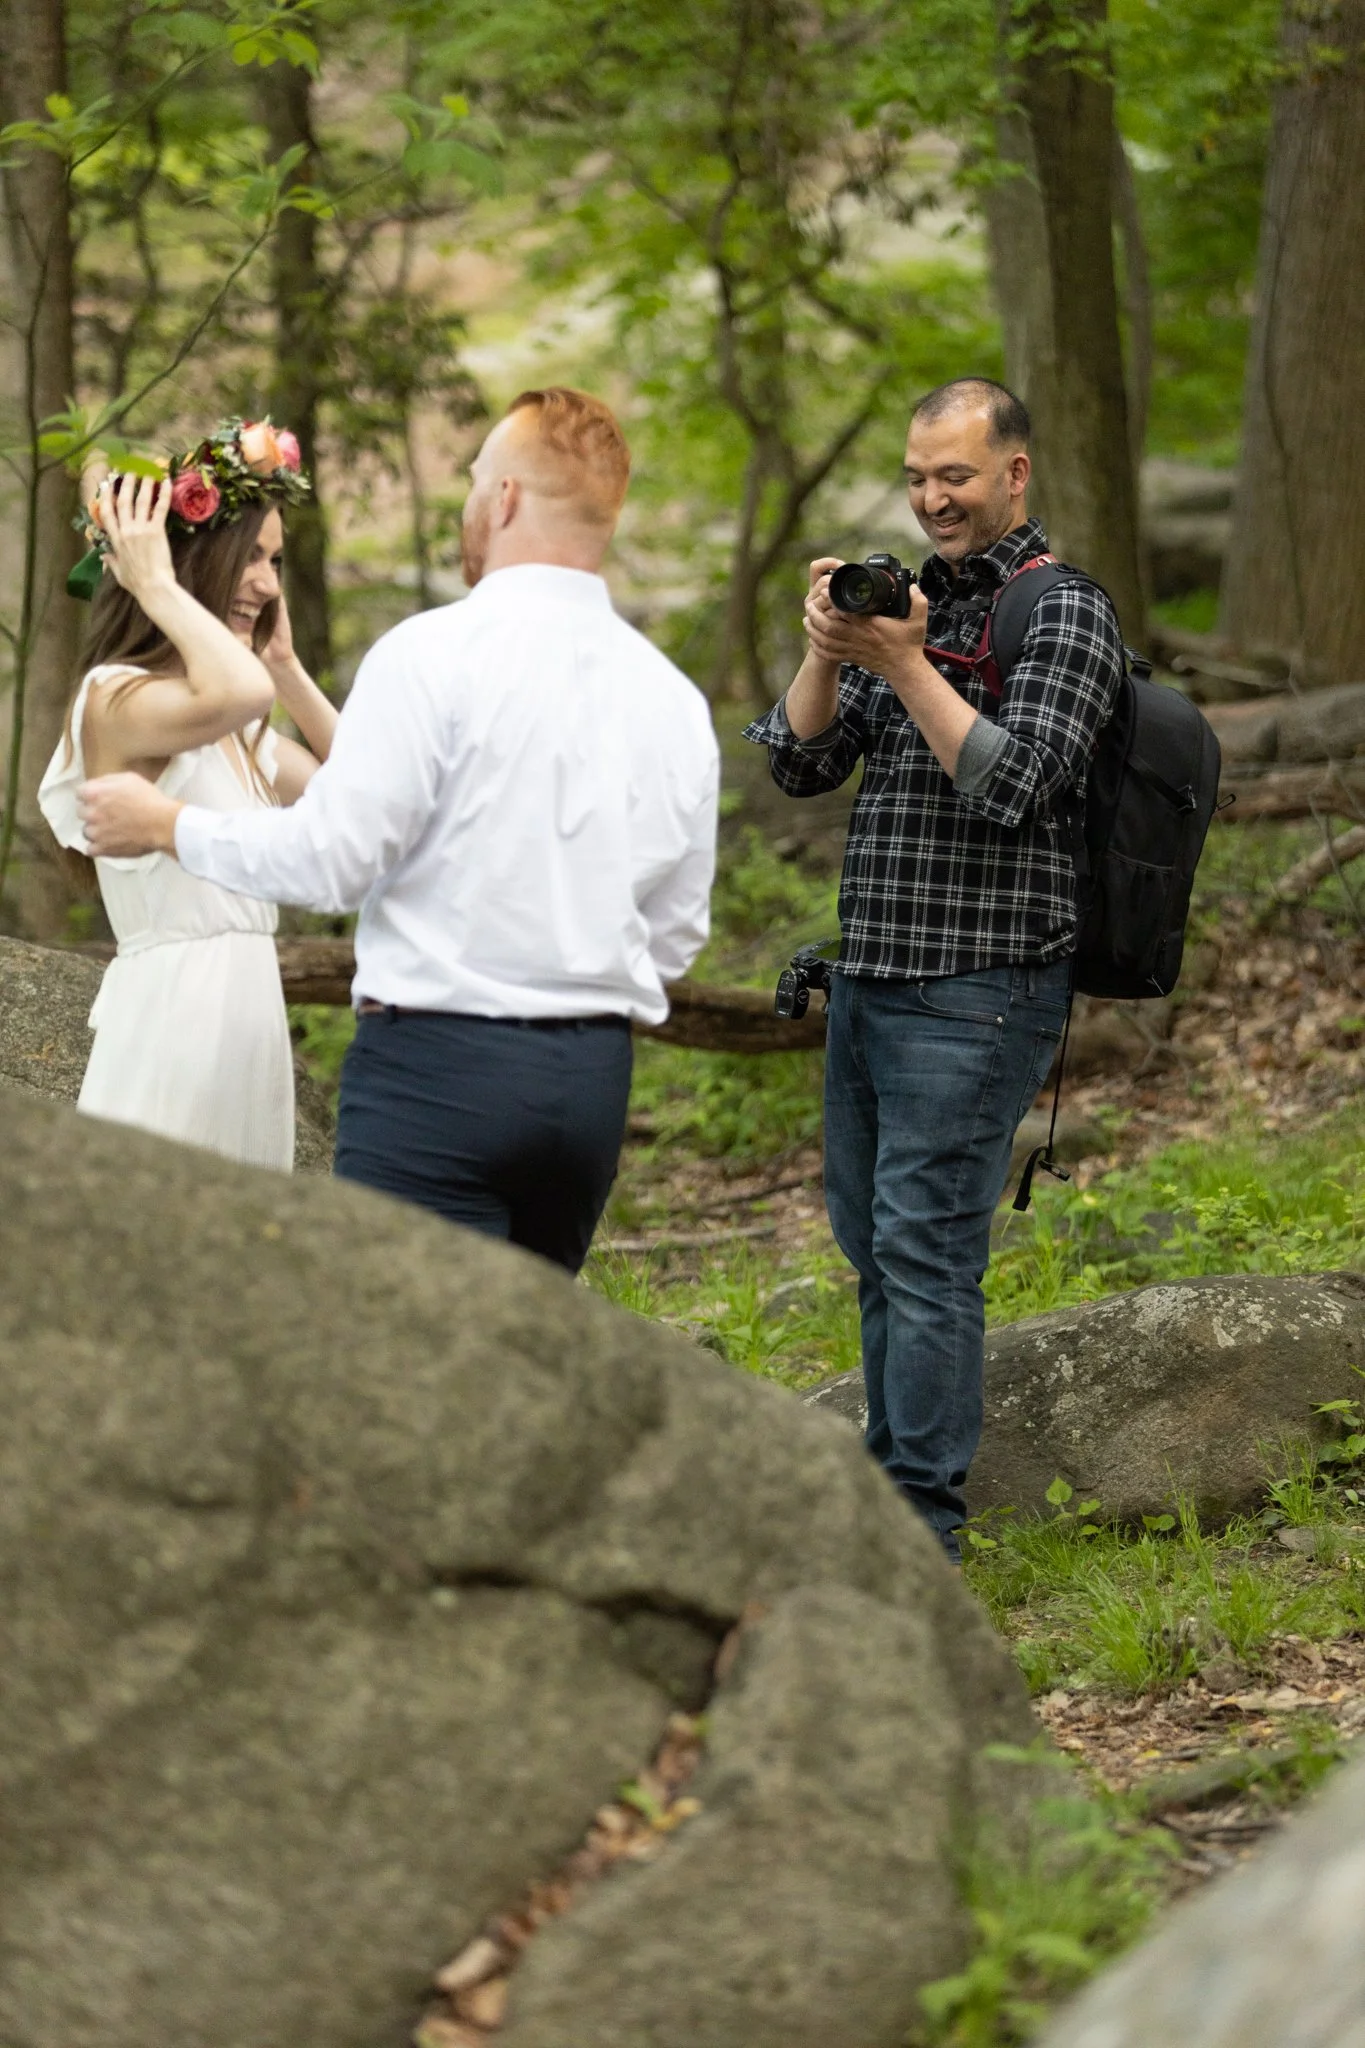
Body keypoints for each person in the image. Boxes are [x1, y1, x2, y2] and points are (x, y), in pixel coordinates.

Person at [79, 386, 720, 1273]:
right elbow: (678, 933)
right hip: (590, 1079)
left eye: (471, 481)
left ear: (502, 500)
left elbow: (337, 853)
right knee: (531, 1358)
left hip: (438, 1070)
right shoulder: (672, 699)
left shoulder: (429, 654)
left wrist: (170, 826)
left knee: (412, 1367)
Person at [745, 377, 1126, 1559]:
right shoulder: (902, 601)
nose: (932, 499)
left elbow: (1019, 784)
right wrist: (827, 649)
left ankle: (922, 1530)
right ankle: (889, 1496)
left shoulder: (1061, 611)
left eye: (953, 477)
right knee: (873, 1242)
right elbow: (798, 768)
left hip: (985, 985)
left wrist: (911, 666)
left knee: (926, 1247)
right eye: (917, 479)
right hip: (874, 976)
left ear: (1014, 471)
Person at [39, 420, 337, 1170]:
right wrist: (153, 583)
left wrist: (289, 666)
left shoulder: (239, 732)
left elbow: (363, 796)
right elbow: (238, 691)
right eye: (250, 559)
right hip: (176, 1022)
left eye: (275, 561)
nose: (268, 584)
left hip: (244, 1022)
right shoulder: (119, 699)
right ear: (183, 559)